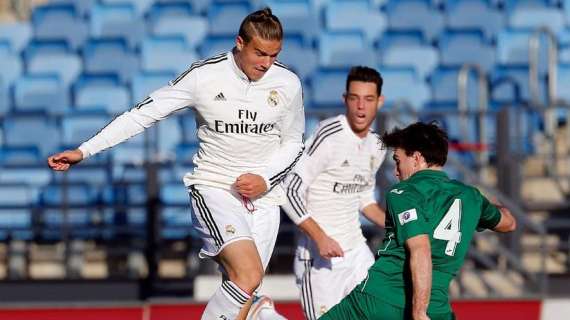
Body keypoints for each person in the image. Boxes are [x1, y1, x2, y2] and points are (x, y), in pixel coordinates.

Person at [47, 8, 304, 320]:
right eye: (259, 53)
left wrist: (265, 179)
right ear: (240, 43)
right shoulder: (204, 76)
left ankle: (259, 311)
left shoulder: (288, 83)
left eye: (273, 55)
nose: (266, 63)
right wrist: (84, 150)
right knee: (248, 275)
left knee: (242, 294)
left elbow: (293, 141)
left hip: (265, 200)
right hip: (217, 190)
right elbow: (143, 114)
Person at [320, 122, 517, 320]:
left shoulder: (404, 192)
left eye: (398, 161)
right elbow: (509, 223)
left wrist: (419, 312)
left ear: (416, 158)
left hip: (379, 302)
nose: (396, 171)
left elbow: (421, 249)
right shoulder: (471, 197)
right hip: (436, 307)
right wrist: (486, 204)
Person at [281, 66, 387, 319]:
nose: (361, 107)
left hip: (357, 256)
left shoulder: (377, 146)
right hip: (318, 261)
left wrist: (399, 227)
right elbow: (289, 189)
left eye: (368, 99)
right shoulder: (329, 135)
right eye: (355, 98)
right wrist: (320, 238)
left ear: (379, 102)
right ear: (345, 100)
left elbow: (365, 200)